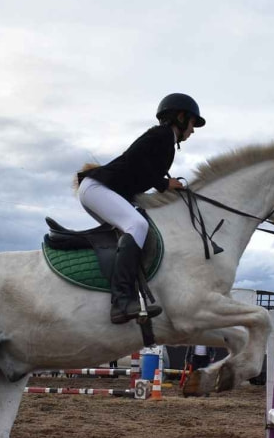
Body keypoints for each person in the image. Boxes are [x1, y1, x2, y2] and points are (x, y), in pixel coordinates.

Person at [75, 93, 205, 325]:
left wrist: (165, 187)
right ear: (181, 117)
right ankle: (121, 301)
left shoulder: (163, 139)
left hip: (103, 190)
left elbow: (140, 172)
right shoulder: (162, 135)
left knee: (138, 225)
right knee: (136, 224)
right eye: (193, 123)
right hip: (97, 189)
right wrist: (165, 184)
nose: (193, 131)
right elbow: (138, 163)